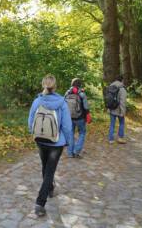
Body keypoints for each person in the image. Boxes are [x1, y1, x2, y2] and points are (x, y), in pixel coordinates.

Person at [28, 74, 72, 217]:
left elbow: (30, 121)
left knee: (45, 167)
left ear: (43, 85)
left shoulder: (37, 101)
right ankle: (40, 203)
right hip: (56, 142)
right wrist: (69, 142)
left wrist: (34, 134)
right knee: (49, 172)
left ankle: (51, 188)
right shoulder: (62, 103)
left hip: (40, 140)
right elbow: (66, 126)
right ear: (55, 86)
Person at [65, 78, 91, 159]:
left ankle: (69, 153)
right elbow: (86, 107)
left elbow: (64, 105)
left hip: (69, 117)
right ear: (80, 85)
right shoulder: (82, 94)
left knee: (71, 134)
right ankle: (76, 151)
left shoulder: (67, 93)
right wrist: (88, 115)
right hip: (80, 118)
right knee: (82, 133)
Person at [107, 75, 127, 144]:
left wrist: (108, 108)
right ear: (122, 80)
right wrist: (123, 112)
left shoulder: (110, 87)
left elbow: (108, 99)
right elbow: (123, 102)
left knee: (112, 124)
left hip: (111, 109)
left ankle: (110, 139)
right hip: (119, 110)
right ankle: (120, 138)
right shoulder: (122, 89)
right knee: (121, 123)